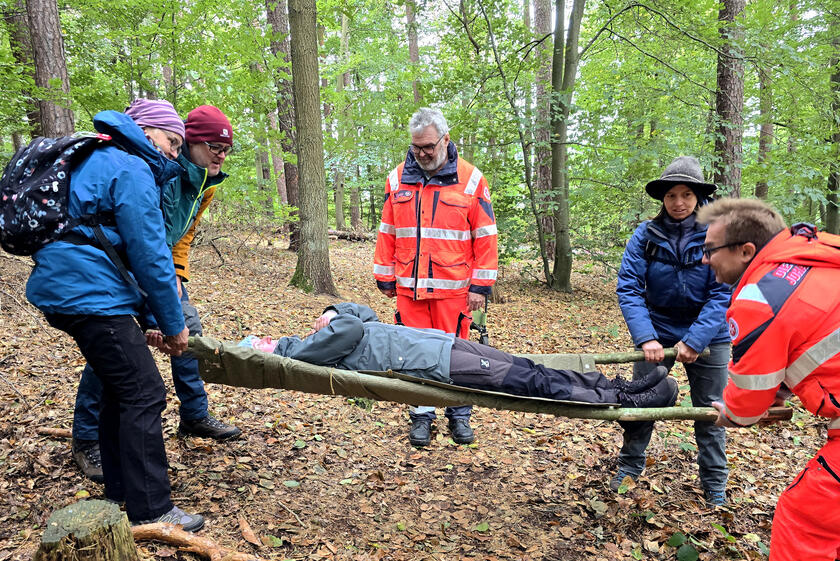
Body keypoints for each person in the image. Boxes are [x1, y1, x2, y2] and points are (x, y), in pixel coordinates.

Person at [26, 100, 203, 531]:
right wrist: (174, 324)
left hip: (75, 287)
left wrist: (151, 319)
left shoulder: (101, 159)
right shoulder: (131, 167)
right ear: (145, 130)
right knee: (145, 392)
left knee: (116, 389)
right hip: (89, 292)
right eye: (170, 141)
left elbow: (119, 249)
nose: (175, 153)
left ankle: (120, 489)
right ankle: (153, 509)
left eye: (181, 145)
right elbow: (149, 255)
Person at [71, 105, 240, 483]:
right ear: (190, 141)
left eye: (226, 149)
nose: (220, 154)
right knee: (115, 345)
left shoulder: (205, 184)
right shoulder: (163, 171)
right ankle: (85, 438)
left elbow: (183, 236)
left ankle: (195, 415)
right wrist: (156, 292)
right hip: (122, 269)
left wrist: (177, 276)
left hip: (156, 268)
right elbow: (144, 235)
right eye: (213, 145)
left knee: (186, 329)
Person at [700, 199, 840, 561]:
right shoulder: (813, 256)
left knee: (808, 518)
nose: (704, 260)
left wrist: (731, 413)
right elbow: (812, 333)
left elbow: (747, 399)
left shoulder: (760, 296)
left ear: (746, 251)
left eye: (709, 250)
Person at [205, 302, 679, 409]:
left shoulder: (320, 337)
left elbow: (362, 312)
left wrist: (332, 308)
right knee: (531, 383)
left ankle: (619, 386)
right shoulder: (309, 353)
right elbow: (352, 326)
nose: (270, 341)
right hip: (436, 364)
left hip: (442, 343)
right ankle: (624, 400)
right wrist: (331, 320)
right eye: (263, 344)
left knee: (528, 367)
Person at [373, 107, 498, 447]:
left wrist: (481, 287)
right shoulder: (397, 178)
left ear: (445, 139)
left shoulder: (472, 180)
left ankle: (458, 415)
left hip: (454, 291)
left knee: (457, 356)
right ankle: (421, 417)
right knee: (412, 355)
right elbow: (388, 230)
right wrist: (384, 274)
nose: (423, 153)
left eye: (429, 146)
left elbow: (485, 236)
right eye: (417, 147)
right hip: (408, 289)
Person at [612, 156, 731, 506]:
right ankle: (629, 471)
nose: (678, 203)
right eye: (671, 196)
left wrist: (695, 339)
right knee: (641, 405)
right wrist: (646, 336)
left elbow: (723, 290)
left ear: (698, 197)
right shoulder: (645, 234)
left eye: (686, 195)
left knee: (710, 412)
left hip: (710, 334)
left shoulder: (718, 235)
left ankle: (715, 487)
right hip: (657, 327)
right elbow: (629, 286)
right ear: (662, 199)